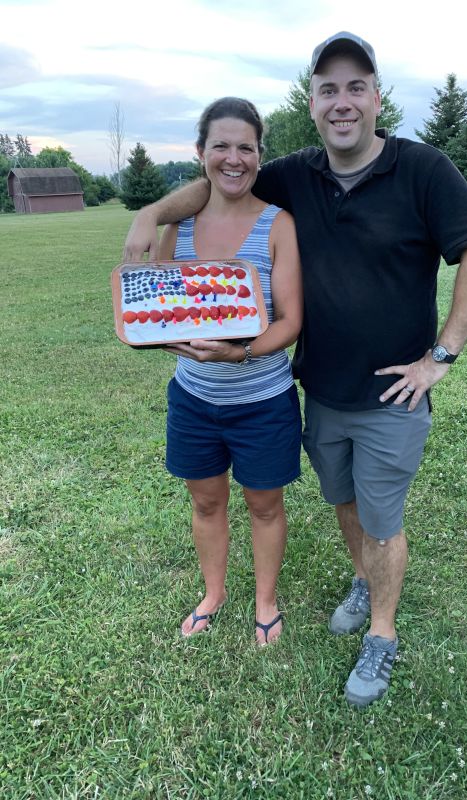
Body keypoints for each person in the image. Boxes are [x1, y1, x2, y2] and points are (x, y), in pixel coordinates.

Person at [123, 34, 467, 706]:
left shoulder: (422, 169)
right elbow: (217, 180)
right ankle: (364, 580)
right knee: (345, 502)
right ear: (314, 101)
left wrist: (440, 357)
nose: (342, 101)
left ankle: (381, 636)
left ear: (376, 97)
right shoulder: (294, 174)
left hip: (391, 393)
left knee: (383, 518)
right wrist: (152, 213)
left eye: (356, 86)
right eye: (328, 88)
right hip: (321, 391)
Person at [156, 97, 303, 646]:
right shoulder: (180, 226)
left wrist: (241, 353)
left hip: (263, 399)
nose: (233, 158)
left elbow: (291, 320)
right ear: (201, 153)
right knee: (205, 499)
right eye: (221, 145)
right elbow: (160, 309)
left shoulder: (277, 224)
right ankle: (214, 592)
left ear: (260, 156)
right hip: (194, 397)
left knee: (264, 503)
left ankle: (265, 600)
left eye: (246, 147)